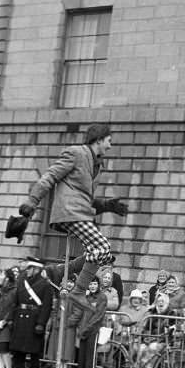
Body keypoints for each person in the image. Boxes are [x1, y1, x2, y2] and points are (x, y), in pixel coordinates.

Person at [18, 123, 128, 294]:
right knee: (102, 247)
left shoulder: (98, 164)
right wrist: (32, 201)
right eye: (108, 140)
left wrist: (106, 206)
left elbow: (85, 198)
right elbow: (50, 176)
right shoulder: (76, 153)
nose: (110, 145)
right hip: (69, 212)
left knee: (100, 255)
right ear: (98, 140)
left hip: (81, 212)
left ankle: (69, 281)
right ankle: (78, 293)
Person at [6, 257, 55, 368]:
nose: (27, 270)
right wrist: (11, 318)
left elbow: (46, 306)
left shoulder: (45, 285)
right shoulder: (22, 281)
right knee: (17, 349)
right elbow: (14, 302)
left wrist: (41, 323)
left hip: (34, 319)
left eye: (29, 268)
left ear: (36, 269)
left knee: (34, 350)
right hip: (20, 317)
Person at [68, 277, 108, 368]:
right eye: (91, 284)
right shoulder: (86, 297)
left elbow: (98, 316)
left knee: (90, 359)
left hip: (93, 331)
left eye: (95, 284)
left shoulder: (102, 297)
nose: (92, 286)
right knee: (81, 358)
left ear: (98, 285)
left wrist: (87, 329)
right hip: (83, 330)